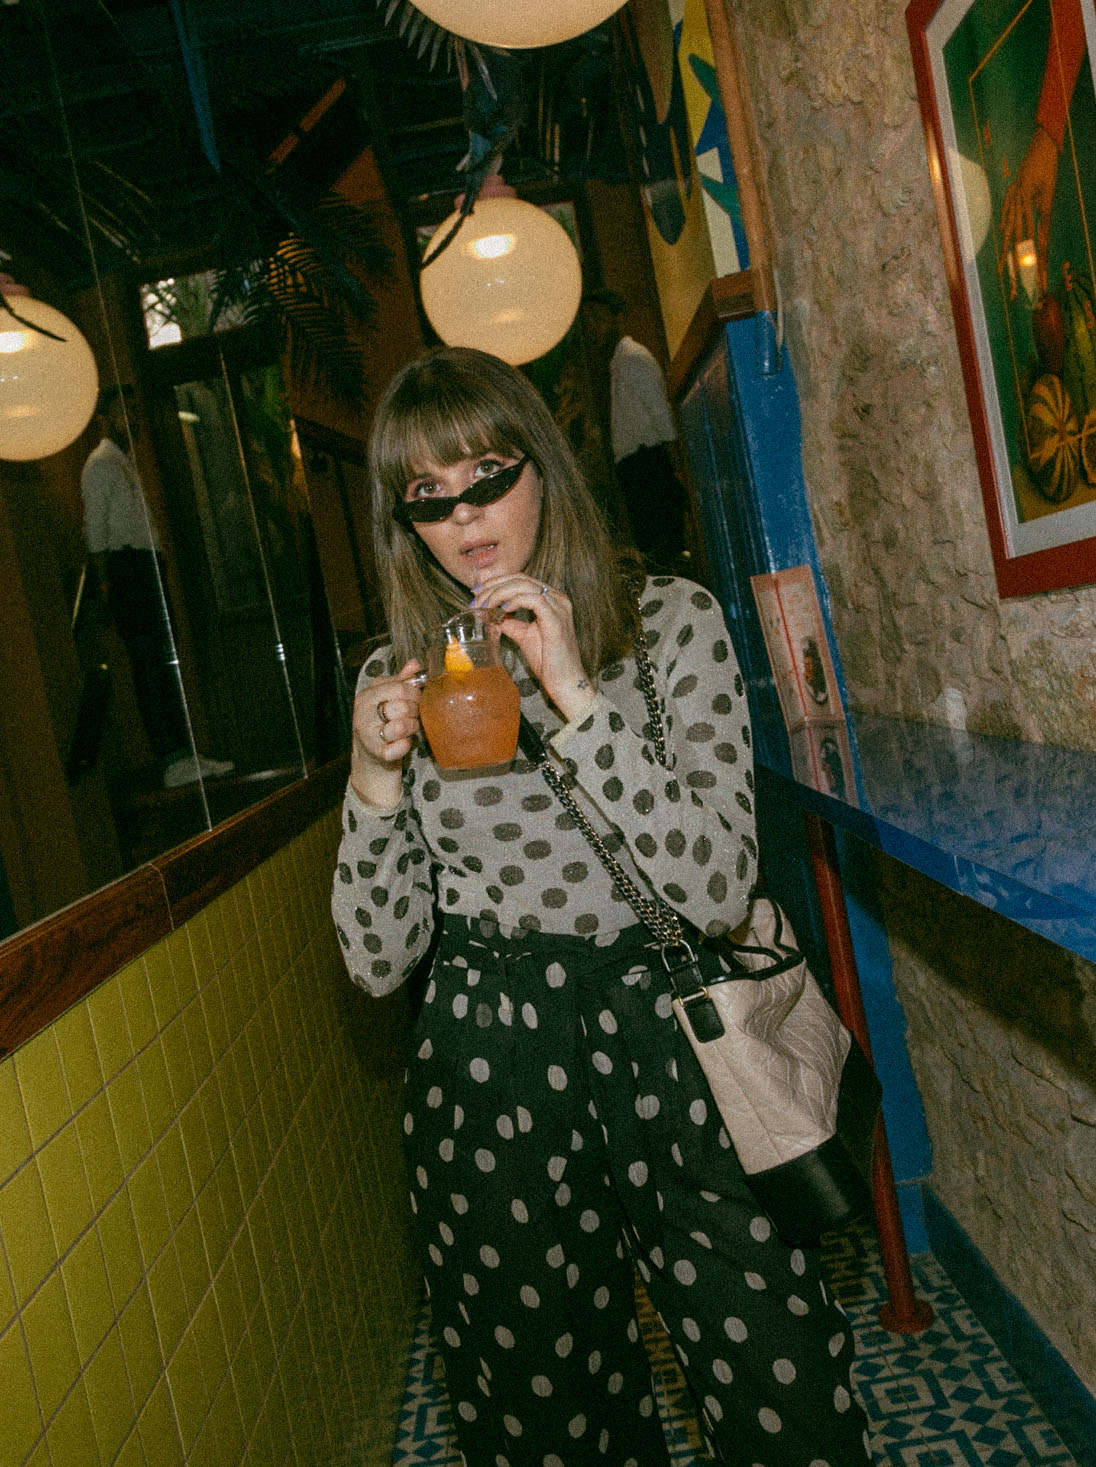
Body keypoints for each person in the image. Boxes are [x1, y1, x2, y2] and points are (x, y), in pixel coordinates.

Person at [334, 349, 869, 1465]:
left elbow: (719, 884)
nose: (465, 517)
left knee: (782, 1379)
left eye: (487, 474)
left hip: (674, 1022)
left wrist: (576, 691)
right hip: (490, 1055)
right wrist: (370, 784)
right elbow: (380, 963)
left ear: (544, 465)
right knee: (545, 1415)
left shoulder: (666, 619)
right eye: (427, 497)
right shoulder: (402, 672)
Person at [81, 389, 232, 789]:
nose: (131, 418)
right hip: (127, 566)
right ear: (104, 417)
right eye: (122, 411)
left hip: (145, 563)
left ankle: (184, 755)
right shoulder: (100, 464)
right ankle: (171, 760)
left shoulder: (125, 462)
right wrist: (106, 586)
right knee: (150, 664)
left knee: (164, 660)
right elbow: (95, 535)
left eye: (134, 410)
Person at [580, 287, 692, 576]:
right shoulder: (618, 362)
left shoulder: (633, 358)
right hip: (635, 466)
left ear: (617, 319)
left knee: (662, 550)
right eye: (587, 321)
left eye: (597, 318)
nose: (592, 328)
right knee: (650, 548)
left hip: (650, 464)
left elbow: (661, 416)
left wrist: (676, 465)